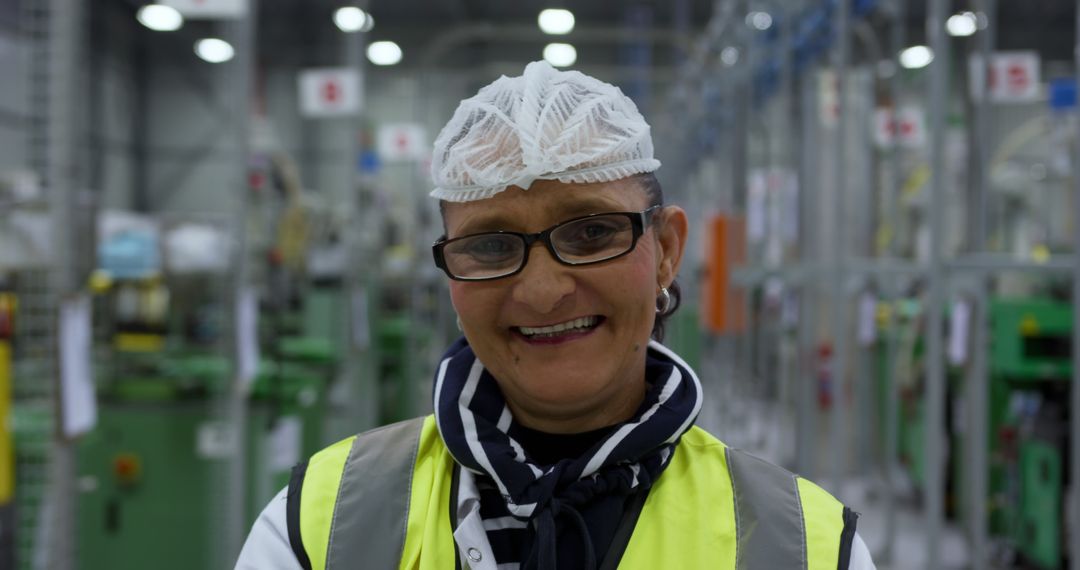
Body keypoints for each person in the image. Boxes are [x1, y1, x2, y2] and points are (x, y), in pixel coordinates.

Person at [236, 61, 875, 570]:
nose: (542, 291)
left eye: (593, 231)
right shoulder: (320, 527)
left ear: (666, 253)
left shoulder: (805, 548)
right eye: (490, 244)